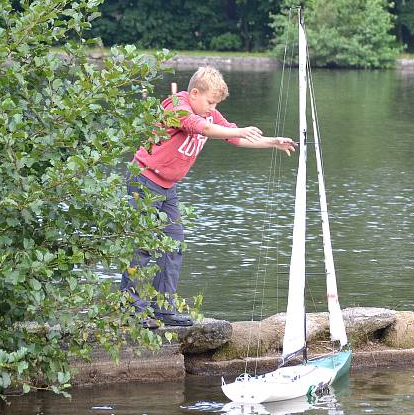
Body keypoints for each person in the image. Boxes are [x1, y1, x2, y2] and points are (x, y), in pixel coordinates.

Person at [121, 66, 296, 326]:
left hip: (168, 187)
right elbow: (202, 128)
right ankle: (132, 312)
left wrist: (272, 142)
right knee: (144, 246)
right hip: (145, 180)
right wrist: (238, 130)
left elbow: (234, 137)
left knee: (174, 243)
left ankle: (163, 309)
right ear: (194, 93)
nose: (211, 109)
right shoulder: (177, 106)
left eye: (215, 104)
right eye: (210, 102)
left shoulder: (208, 112)